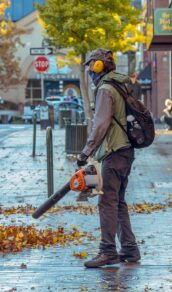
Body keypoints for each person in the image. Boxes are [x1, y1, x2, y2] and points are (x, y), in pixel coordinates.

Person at [77, 48, 140, 268]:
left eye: (91, 67)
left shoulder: (105, 89)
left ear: (99, 66)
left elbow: (101, 123)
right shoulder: (120, 84)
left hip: (115, 151)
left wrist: (86, 152)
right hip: (126, 151)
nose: (90, 73)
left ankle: (108, 251)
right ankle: (130, 249)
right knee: (118, 201)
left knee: (106, 202)